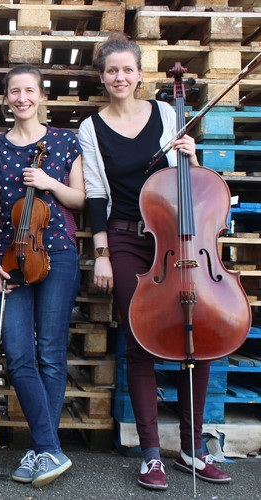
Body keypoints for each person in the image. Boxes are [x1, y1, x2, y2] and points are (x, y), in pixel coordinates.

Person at [79, 33, 231, 491]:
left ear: (140, 74)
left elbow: (191, 185)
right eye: (112, 71)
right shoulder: (92, 127)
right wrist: (102, 254)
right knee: (140, 338)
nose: (120, 77)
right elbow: (96, 195)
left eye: (127, 69)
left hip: (180, 241)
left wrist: (191, 154)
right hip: (127, 239)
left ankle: (192, 448)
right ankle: (150, 454)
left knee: (200, 336)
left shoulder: (167, 114)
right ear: (102, 77)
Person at [0, 65, 84, 487]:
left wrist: (48, 183)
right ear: (6, 98)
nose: (22, 98)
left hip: (57, 254)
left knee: (50, 353)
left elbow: (80, 198)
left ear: (41, 96)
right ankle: (49, 449)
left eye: (29, 91)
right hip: (11, 257)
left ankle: (43, 448)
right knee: (19, 352)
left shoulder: (64, 140)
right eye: (13, 91)